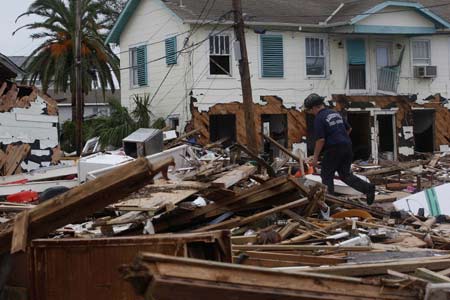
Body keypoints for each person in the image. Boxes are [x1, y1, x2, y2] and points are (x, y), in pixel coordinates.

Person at [304, 93, 375, 205]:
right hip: (347, 146)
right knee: (345, 175)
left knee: (326, 176)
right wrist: (340, 138)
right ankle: (368, 188)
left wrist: (315, 158)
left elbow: (320, 140)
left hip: (333, 149)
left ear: (314, 107)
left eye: (310, 111)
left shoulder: (319, 118)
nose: (311, 113)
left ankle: (329, 203)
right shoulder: (335, 113)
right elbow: (349, 128)